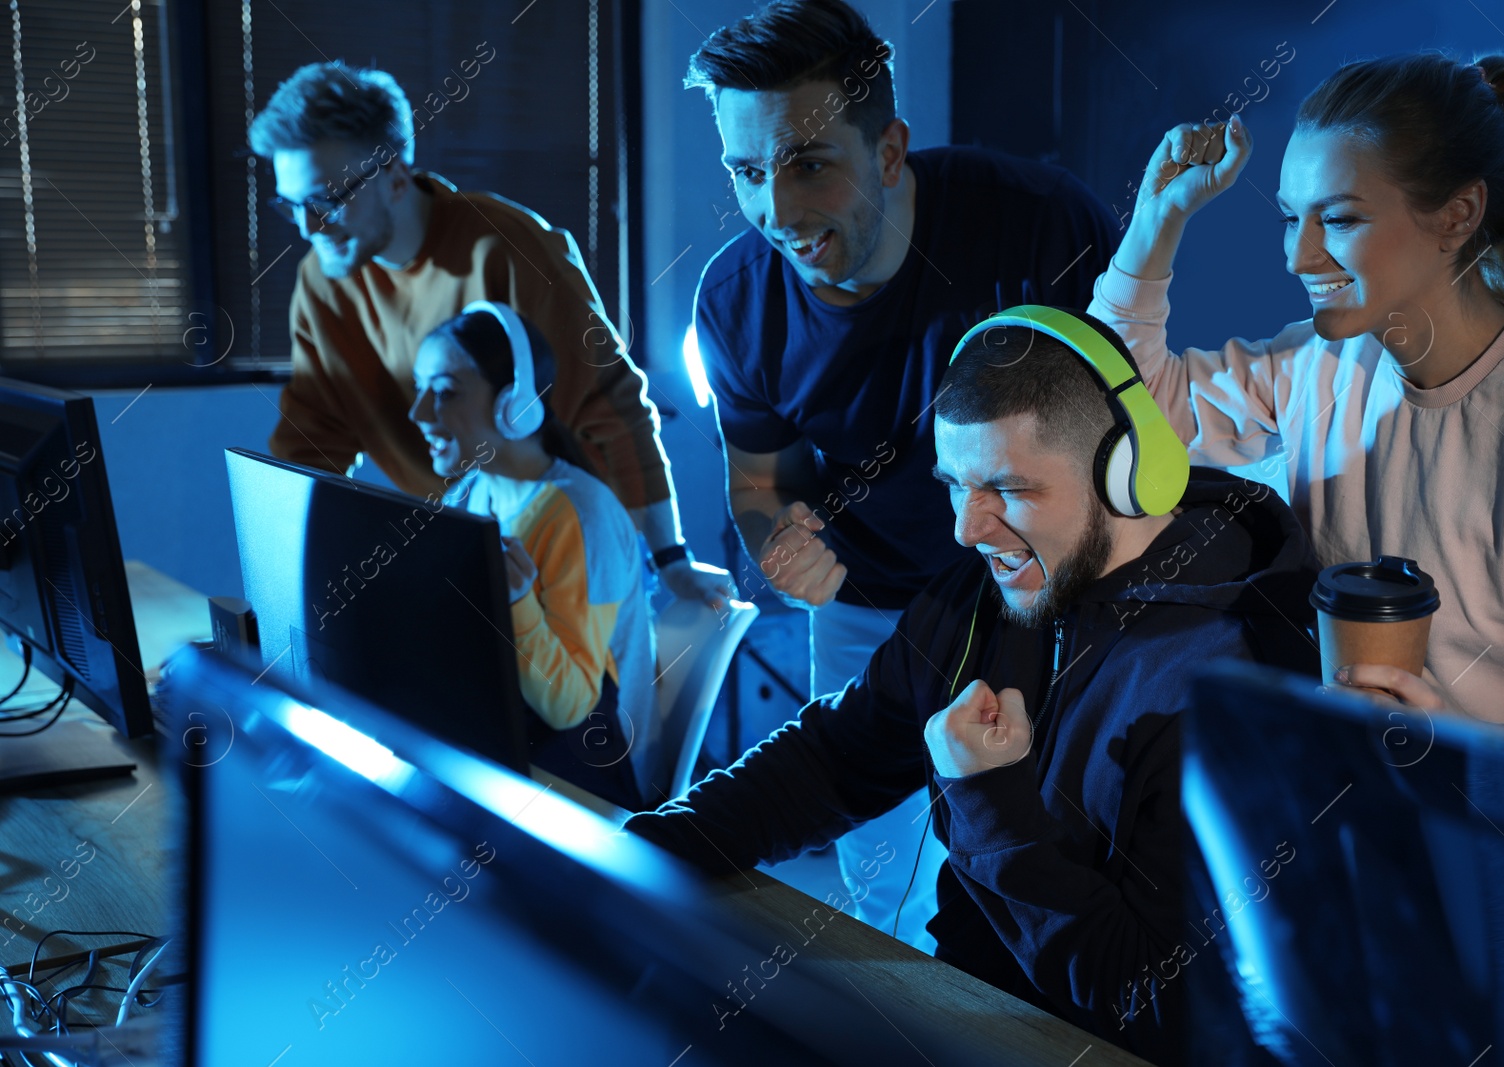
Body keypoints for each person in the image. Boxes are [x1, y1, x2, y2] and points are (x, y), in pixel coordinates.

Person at [627, 307, 1324, 1063]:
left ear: (1128, 474)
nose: (967, 527)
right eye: (955, 485)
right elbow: (840, 753)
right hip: (962, 1018)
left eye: (1006, 489)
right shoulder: (986, 590)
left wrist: (991, 804)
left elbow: (1154, 996)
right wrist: (651, 844)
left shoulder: (1225, 676)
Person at [686, 0, 1119, 949]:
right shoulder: (734, 298)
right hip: (871, 610)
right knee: (882, 894)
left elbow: (1136, 440)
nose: (776, 210)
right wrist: (776, 546)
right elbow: (760, 485)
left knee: (1037, 884)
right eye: (747, 172)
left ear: (888, 152)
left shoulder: (1042, 226)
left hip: (1038, 602)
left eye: (808, 165)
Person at [1094, 52, 1504, 752]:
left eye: (1336, 219)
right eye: (1288, 219)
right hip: (1340, 793)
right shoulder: (1317, 360)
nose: (1297, 257)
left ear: (1458, 215)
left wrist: (1459, 748)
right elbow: (1129, 411)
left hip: (1485, 832)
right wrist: (1160, 218)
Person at [248, 61, 733, 610]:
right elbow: (313, 441)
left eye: (326, 200)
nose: (309, 227)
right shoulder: (323, 281)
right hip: (465, 550)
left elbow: (610, 406)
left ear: (396, 178)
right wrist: (282, 588)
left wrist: (669, 560)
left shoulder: (506, 247)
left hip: (567, 546)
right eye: (290, 206)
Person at [409, 302, 655, 810]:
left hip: (580, 785)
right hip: (501, 744)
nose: (419, 414)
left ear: (513, 405)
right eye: (420, 389)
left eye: (445, 392)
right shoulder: (475, 492)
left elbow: (571, 707)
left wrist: (516, 598)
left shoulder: (578, 513)